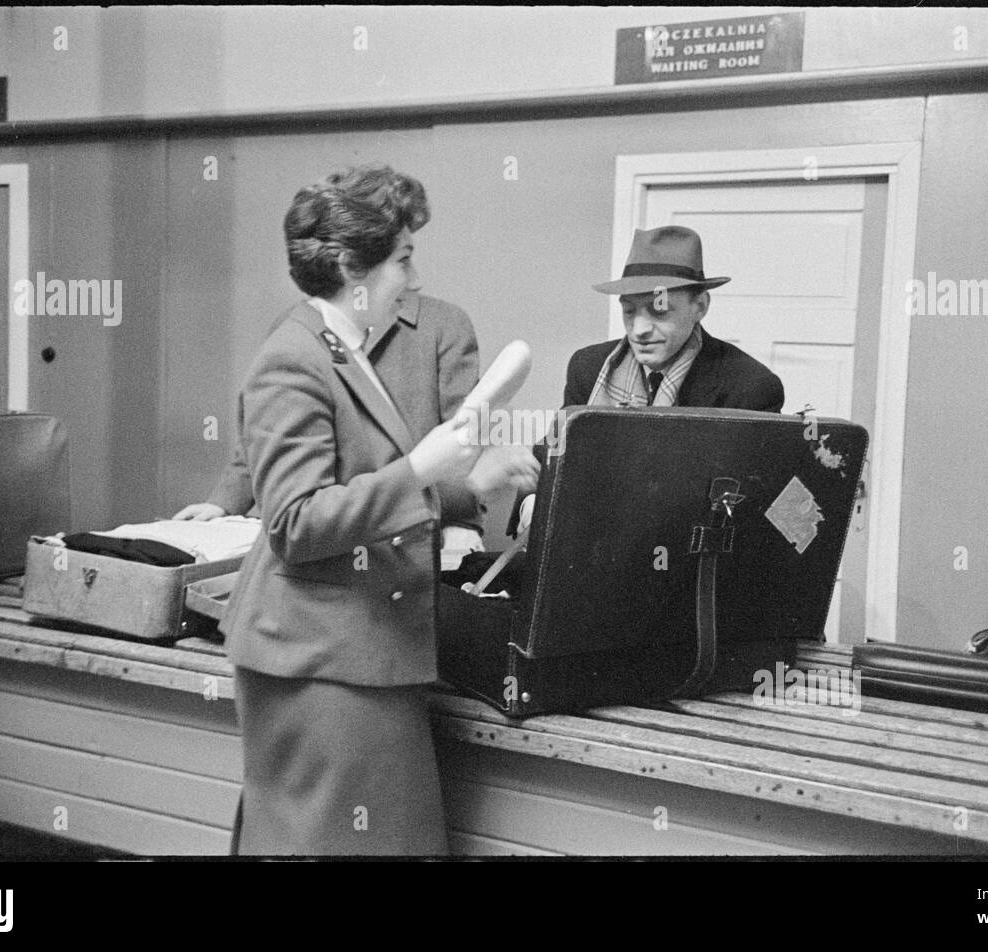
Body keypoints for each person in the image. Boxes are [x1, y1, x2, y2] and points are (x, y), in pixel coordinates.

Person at [221, 165, 537, 855]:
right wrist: (422, 466)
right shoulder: (294, 358)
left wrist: (460, 480)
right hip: (319, 661)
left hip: (358, 648)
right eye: (403, 259)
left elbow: (375, 493)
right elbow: (295, 523)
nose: (415, 279)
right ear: (347, 267)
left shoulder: (345, 349)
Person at [510, 225, 784, 537]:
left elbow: (744, 513)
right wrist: (532, 502)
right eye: (629, 311)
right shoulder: (588, 367)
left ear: (701, 307)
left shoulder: (750, 386)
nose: (639, 329)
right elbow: (552, 455)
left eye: (658, 310)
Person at [173, 290, 488, 553]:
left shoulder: (444, 324)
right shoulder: (297, 327)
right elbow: (270, 437)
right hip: (321, 538)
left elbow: (462, 440)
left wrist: (460, 520)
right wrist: (223, 504)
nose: (413, 274)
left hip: (410, 533)